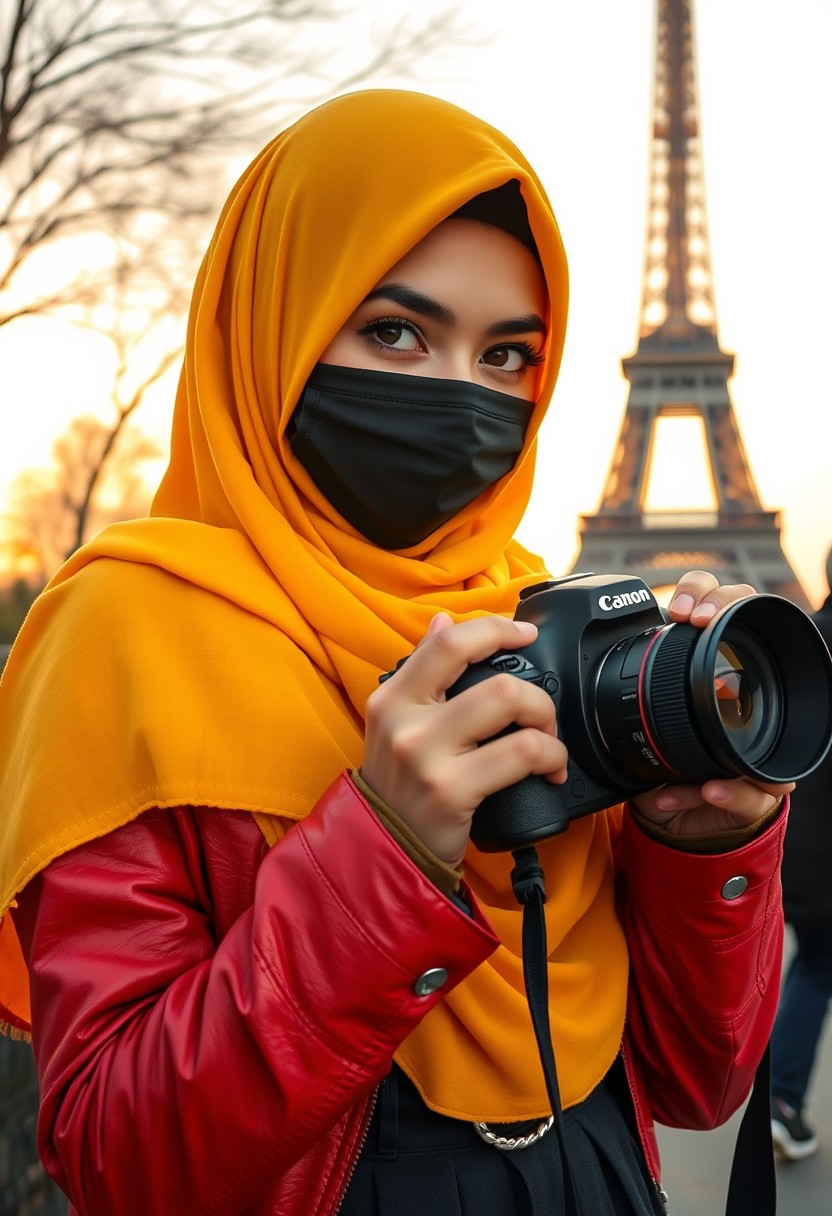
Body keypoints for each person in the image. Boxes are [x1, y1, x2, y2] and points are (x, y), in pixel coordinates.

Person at [0, 89, 791, 1216]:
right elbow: (117, 1156)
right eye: (395, 331)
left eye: (509, 352)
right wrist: (382, 847)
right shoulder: (125, 631)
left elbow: (695, 1082)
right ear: (273, 322)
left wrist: (701, 849)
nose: (463, 393)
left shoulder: (545, 619)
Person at [769, 547, 832, 1161]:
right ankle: (783, 1099)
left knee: (815, 968)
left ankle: (783, 1100)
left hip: (804, 855)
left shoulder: (799, 647)